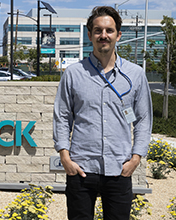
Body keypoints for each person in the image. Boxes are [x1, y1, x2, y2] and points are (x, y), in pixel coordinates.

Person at [53, 6, 152, 220]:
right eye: (98, 30)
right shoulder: (73, 74)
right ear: (89, 35)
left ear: (118, 35)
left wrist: (136, 158)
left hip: (119, 169)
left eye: (109, 30)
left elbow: (143, 119)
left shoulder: (135, 75)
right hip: (80, 169)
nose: (103, 35)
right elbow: (62, 116)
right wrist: (65, 157)